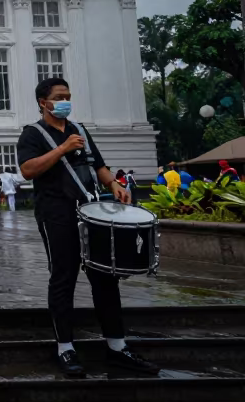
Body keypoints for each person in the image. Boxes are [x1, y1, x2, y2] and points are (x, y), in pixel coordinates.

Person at [18, 76, 159, 378]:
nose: (65, 101)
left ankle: (117, 346)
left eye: (68, 95)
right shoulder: (33, 134)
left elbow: (99, 165)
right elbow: (28, 170)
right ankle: (65, 348)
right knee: (63, 277)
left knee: (105, 278)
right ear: (44, 102)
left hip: (91, 211)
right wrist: (62, 149)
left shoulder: (79, 130)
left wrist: (115, 183)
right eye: (59, 96)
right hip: (56, 212)